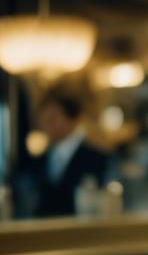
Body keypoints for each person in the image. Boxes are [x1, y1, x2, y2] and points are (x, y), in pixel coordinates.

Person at [30, 86, 109, 217]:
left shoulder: (98, 158)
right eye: (42, 118)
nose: (45, 125)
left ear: (72, 119)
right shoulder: (40, 160)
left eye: (52, 118)